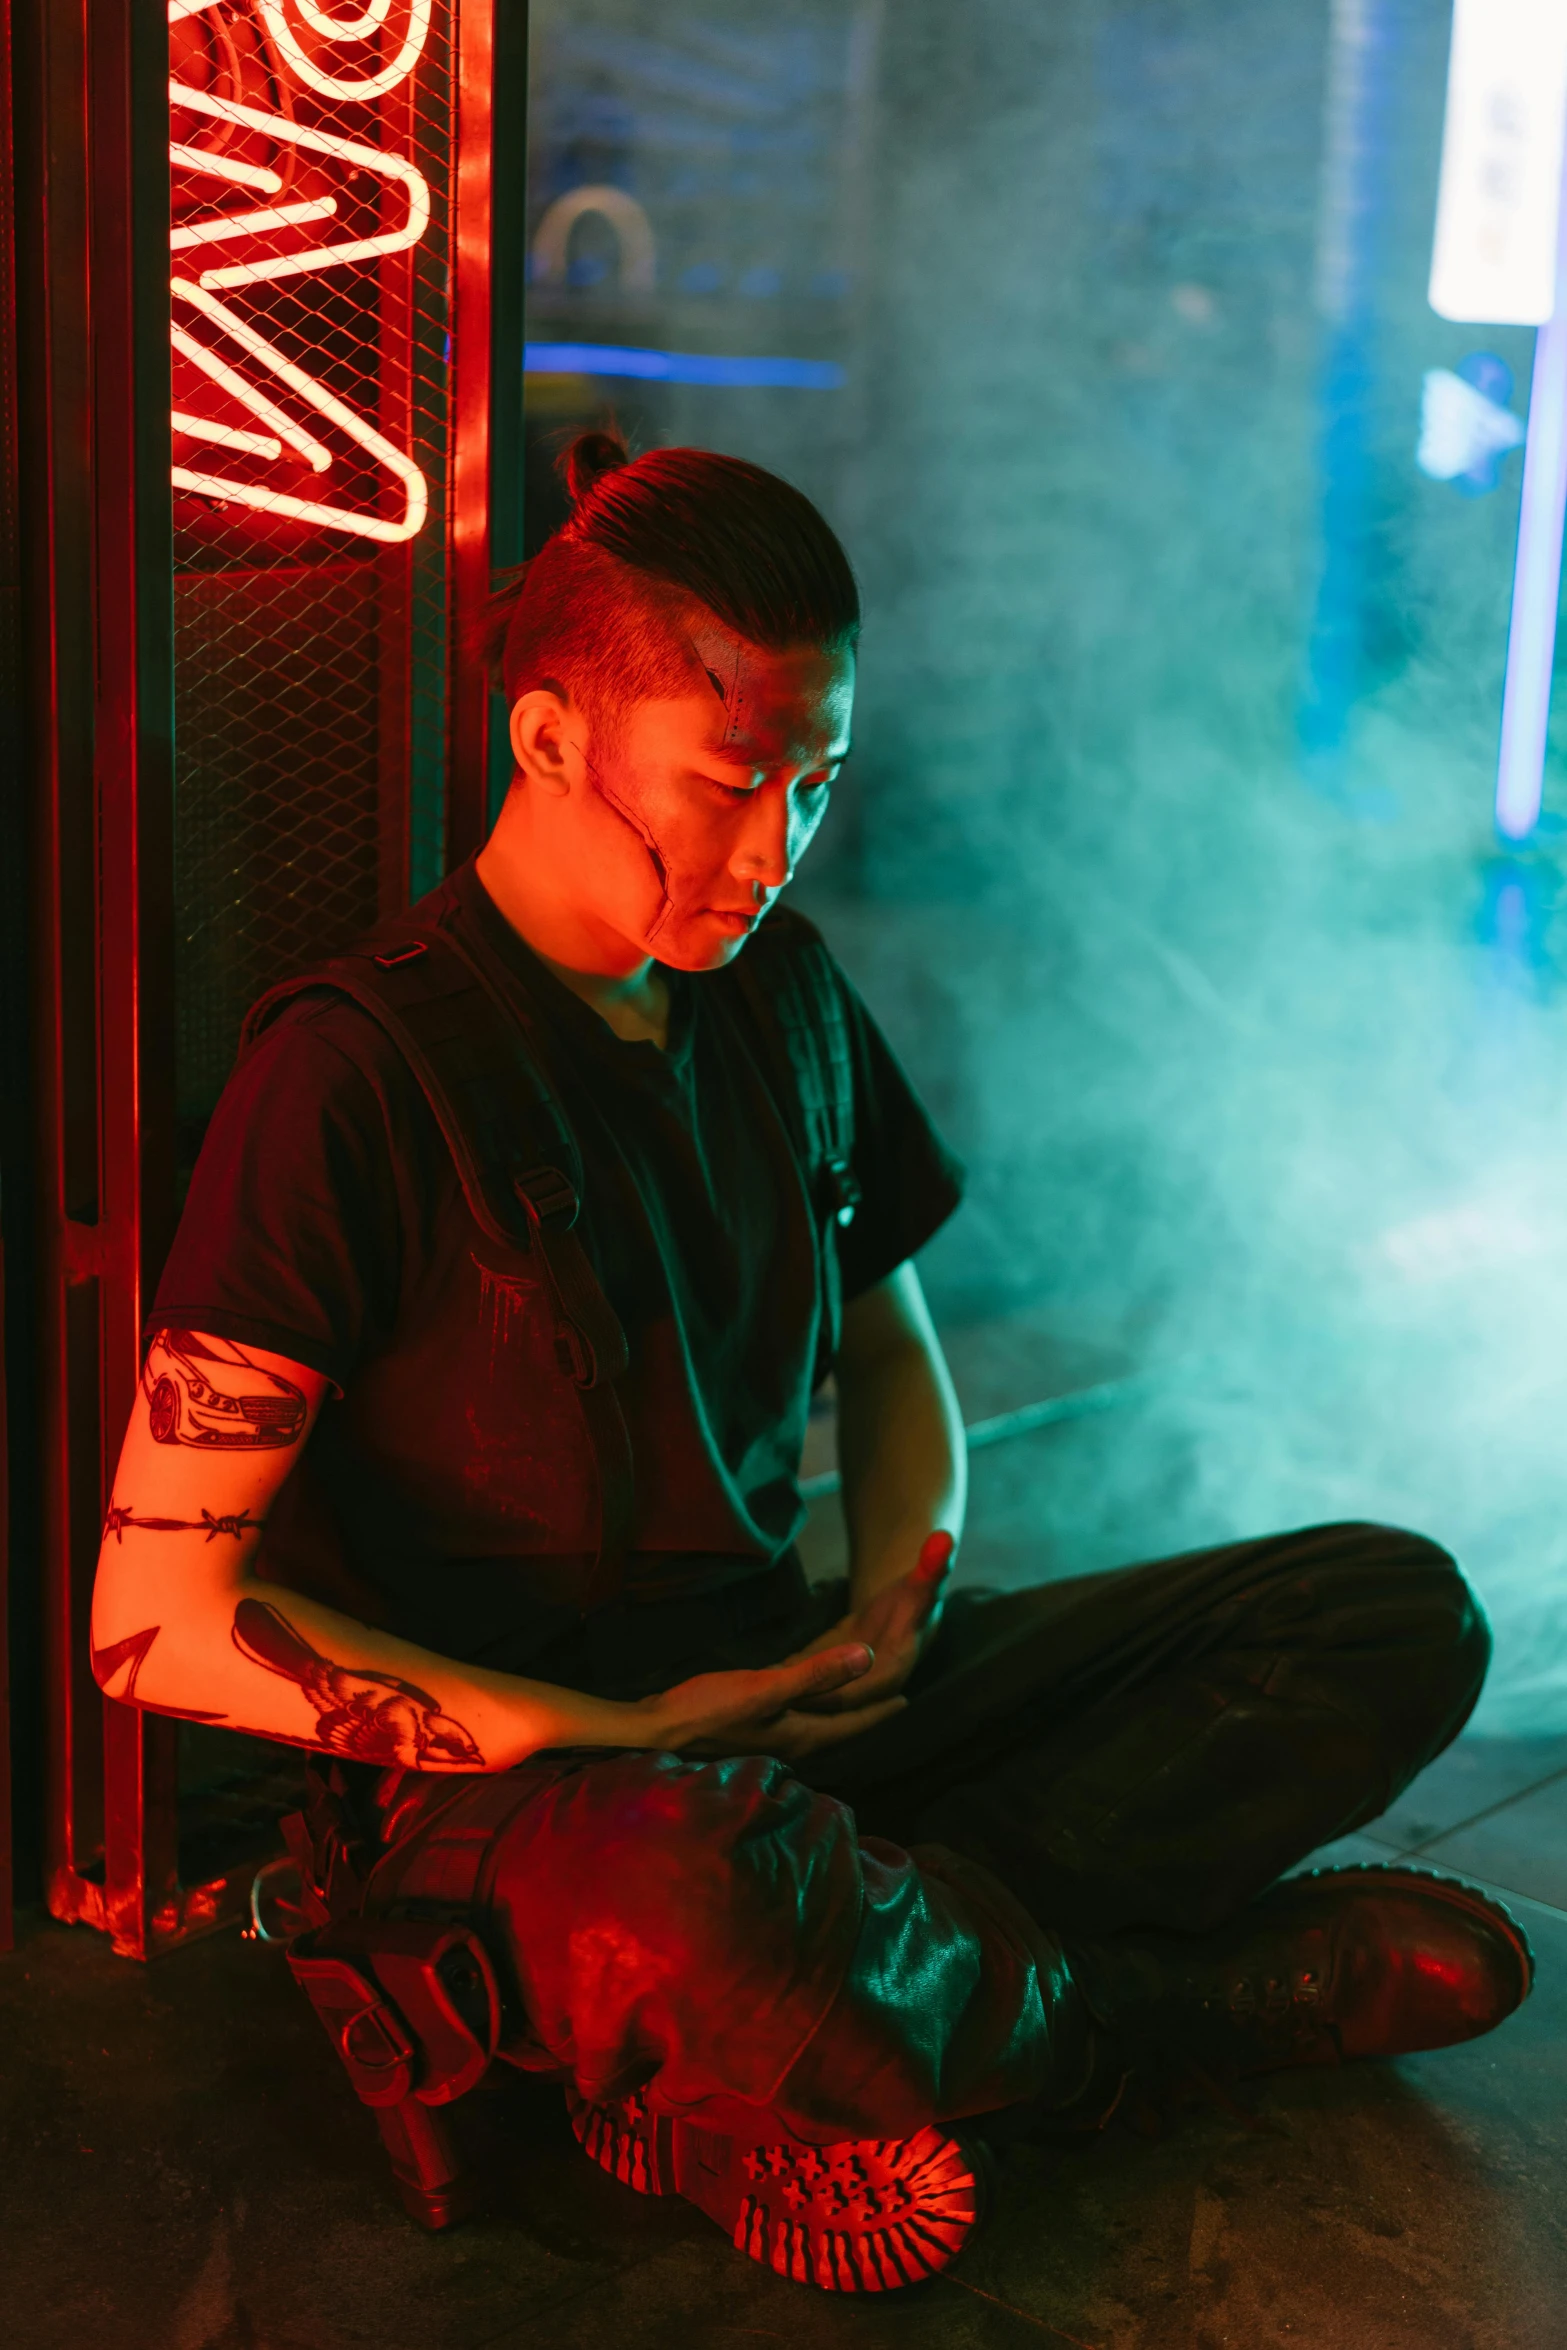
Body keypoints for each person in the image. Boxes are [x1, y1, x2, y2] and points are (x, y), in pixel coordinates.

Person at [90, 432, 1531, 2296]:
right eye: (730, 780)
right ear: (547, 743)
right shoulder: (352, 1075)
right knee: (670, 1891)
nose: (776, 846)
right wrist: (622, 1732)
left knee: (1388, 1609)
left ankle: (853, 1998)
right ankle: (1141, 2021)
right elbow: (150, 1620)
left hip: (793, 1708)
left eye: (820, 782)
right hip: (543, 1798)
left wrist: (894, 1601)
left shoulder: (782, 995)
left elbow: (890, 1341)